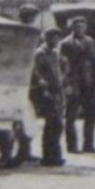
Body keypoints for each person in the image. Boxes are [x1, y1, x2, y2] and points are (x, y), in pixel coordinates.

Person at [59, 16, 95, 154]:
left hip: (89, 84)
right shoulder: (65, 43)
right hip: (73, 85)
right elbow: (61, 66)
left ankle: (88, 145)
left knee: (91, 116)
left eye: (82, 27)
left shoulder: (90, 42)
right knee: (71, 116)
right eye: (76, 26)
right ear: (71, 28)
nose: (80, 29)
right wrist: (66, 84)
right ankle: (72, 146)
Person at [27, 28, 68, 167]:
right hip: (46, 92)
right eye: (53, 38)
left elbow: (61, 69)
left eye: (57, 38)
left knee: (56, 125)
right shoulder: (40, 53)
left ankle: (54, 156)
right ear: (46, 38)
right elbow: (35, 72)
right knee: (53, 124)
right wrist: (42, 85)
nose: (56, 41)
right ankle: (49, 157)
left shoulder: (56, 53)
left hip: (57, 91)